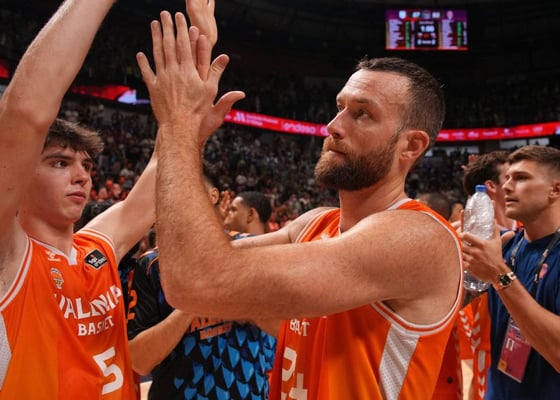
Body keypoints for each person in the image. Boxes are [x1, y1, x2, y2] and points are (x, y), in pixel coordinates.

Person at [140, 11, 463, 398]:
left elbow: (196, 280)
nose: (334, 126)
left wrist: (177, 125)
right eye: (340, 107)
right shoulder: (313, 224)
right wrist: (188, 133)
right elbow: (186, 264)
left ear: (410, 146)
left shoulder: (417, 238)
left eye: (362, 114)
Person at [0, 0, 233, 398]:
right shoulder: (10, 256)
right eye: (59, 163)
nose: (81, 175)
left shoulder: (97, 247)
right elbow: (24, 113)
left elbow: (162, 168)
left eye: (86, 165)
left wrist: (200, 49)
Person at [127, 163, 276, 399]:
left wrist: (244, 301)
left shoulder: (255, 248)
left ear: (213, 195)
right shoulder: (151, 265)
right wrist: (192, 302)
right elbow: (139, 361)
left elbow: (288, 331)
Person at [461, 145, 560, 399]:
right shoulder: (506, 246)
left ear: (556, 189)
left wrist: (499, 275)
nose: (506, 187)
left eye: (521, 178)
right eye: (507, 178)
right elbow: (451, 304)